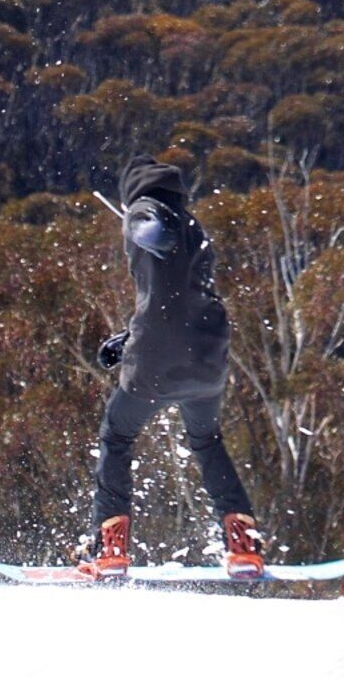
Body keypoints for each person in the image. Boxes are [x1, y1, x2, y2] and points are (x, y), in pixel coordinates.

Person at [75, 158, 263, 580]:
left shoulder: (146, 213)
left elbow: (153, 231)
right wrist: (127, 341)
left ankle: (110, 546)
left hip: (158, 365)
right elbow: (179, 295)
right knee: (207, 440)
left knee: (118, 434)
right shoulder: (195, 229)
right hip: (207, 356)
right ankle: (243, 541)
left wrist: (138, 222)